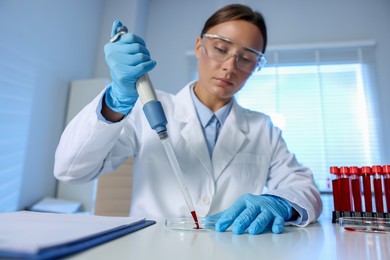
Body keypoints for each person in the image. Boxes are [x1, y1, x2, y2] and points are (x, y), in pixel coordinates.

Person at [54, 3, 322, 235]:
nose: (230, 66)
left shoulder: (263, 128)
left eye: (247, 58)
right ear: (199, 46)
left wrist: (281, 202)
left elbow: (302, 186)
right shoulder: (147, 109)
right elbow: (70, 170)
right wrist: (115, 102)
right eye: (220, 48)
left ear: (256, 66)